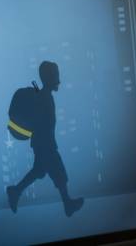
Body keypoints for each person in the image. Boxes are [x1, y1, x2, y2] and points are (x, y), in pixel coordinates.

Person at [6, 61, 84, 217]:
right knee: (59, 173)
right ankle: (67, 204)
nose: (58, 80)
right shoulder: (43, 97)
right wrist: (48, 143)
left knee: (39, 171)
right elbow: (44, 123)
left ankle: (15, 191)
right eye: (56, 76)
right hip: (45, 144)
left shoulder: (44, 96)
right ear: (49, 78)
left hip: (43, 143)